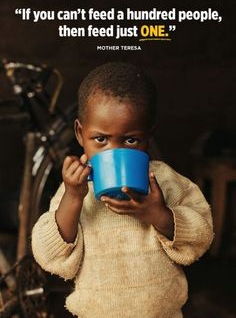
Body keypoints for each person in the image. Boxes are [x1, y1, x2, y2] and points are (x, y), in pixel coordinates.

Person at [32, 62, 213, 318]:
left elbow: (202, 236)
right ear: (80, 134)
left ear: (148, 136)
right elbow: (48, 255)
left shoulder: (166, 181)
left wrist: (159, 215)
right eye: (101, 139)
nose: (113, 152)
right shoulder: (75, 187)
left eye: (130, 140)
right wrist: (73, 197)